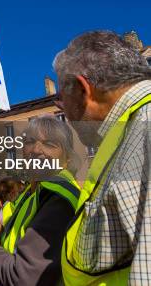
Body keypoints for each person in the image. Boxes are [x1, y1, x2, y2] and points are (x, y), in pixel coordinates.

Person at [54, 31, 151, 286]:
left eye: (62, 102)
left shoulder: (143, 132)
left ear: (83, 89)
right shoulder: (131, 131)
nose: (64, 113)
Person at [0, 115, 81, 286]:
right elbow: (17, 247)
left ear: (68, 159)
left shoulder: (59, 195)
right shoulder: (29, 195)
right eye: (30, 142)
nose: (36, 150)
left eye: (49, 144)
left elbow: (25, 277)